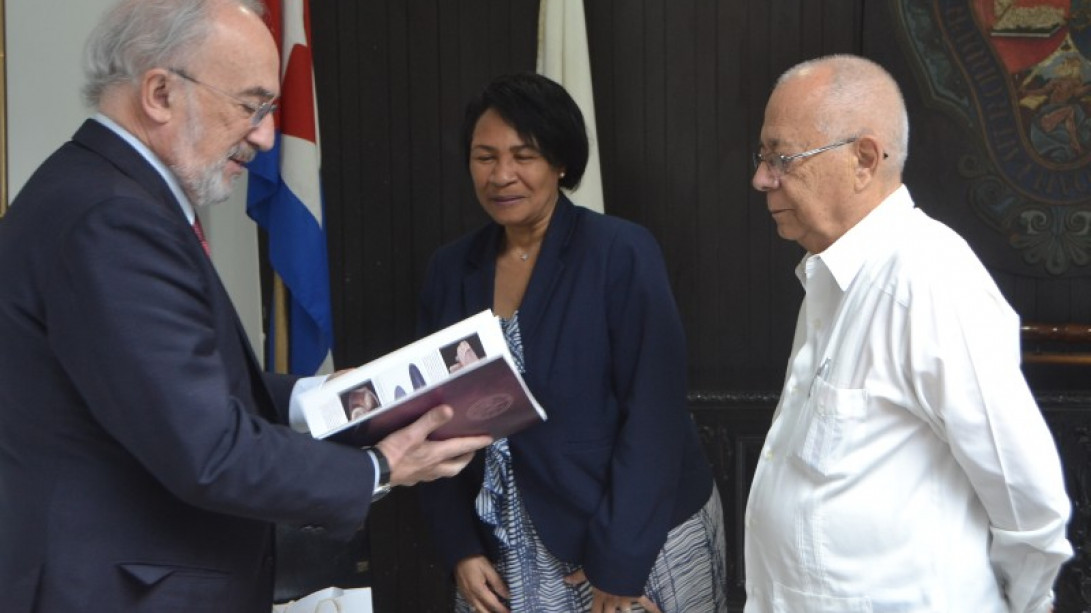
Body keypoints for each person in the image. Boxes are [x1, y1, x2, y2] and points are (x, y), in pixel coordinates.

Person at [0, 1, 490, 611]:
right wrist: (382, 466)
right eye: (251, 106)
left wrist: (328, 395)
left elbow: (165, 388)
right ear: (159, 93)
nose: (263, 135)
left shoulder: (102, 191)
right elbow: (208, 451)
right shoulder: (114, 218)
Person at [744, 54, 1072, 612]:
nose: (761, 178)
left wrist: (1023, 603)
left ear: (864, 159)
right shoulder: (833, 275)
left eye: (783, 158)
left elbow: (1028, 499)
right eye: (763, 156)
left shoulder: (926, 279)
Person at [417, 72, 727, 613]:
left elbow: (653, 419)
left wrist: (621, 564)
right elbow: (434, 416)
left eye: (525, 155)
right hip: (503, 549)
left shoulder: (621, 252)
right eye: (484, 157)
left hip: (632, 533)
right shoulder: (450, 269)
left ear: (561, 162)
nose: (502, 175)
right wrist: (460, 548)